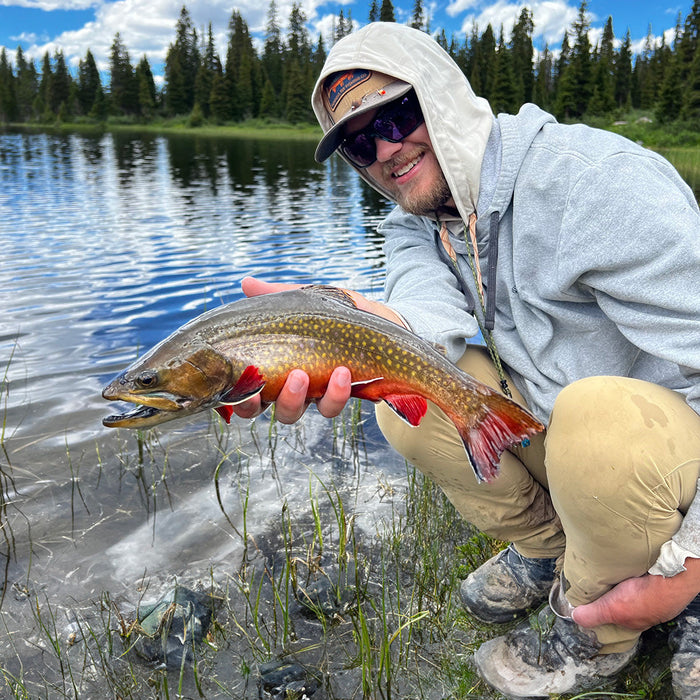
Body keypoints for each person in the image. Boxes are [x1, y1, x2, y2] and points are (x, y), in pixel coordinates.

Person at [235, 22, 700, 698]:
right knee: (400, 396)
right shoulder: (413, 222)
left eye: (397, 115)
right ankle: (554, 551)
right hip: (564, 440)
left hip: (667, 457)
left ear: (445, 96)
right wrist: (341, 327)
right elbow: (422, 324)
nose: (387, 149)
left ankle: (601, 629)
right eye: (361, 142)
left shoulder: (598, 184)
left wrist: (692, 562)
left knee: (597, 420)